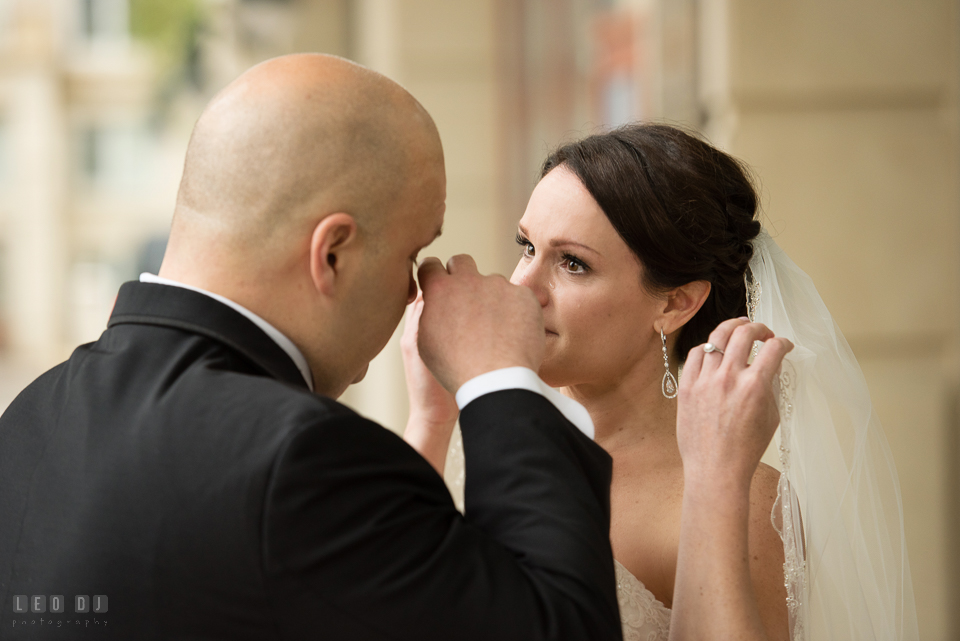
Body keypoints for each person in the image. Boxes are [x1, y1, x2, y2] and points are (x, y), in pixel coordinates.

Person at [0, 56, 792, 640]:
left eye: (572, 261)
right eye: (413, 255)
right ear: (332, 252)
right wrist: (495, 383)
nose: (426, 288)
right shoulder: (306, 457)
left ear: (678, 301)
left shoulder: (29, 420)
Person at [404, 123, 918, 641]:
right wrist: (432, 416)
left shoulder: (747, 499)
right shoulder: (485, 437)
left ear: (675, 303)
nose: (522, 287)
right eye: (527, 247)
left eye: (573, 263)